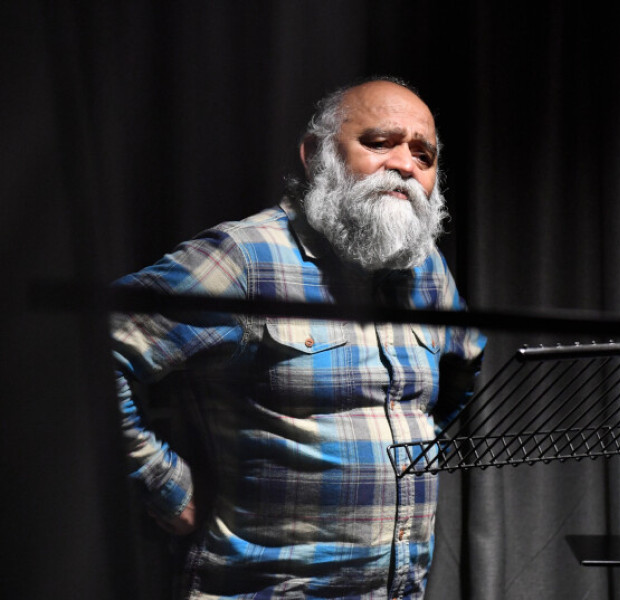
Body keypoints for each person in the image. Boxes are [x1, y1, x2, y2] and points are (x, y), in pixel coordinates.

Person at [111, 77, 486, 599]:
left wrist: (402, 445)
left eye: (424, 155)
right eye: (380, 143)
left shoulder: (427, 271)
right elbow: (86, 349)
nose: (405, 164)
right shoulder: (246, 258)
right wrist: (165, 487)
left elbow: (463, 364)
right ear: (316, 154)